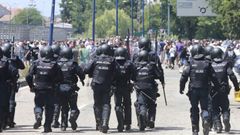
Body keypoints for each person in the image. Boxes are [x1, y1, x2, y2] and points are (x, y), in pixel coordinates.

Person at [179, 45, 220, 135]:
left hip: (193, 90)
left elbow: (184, 76)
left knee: (194, 109)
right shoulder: (207, 63)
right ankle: (205, 120)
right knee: (205, 108)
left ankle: (195, 129)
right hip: (205, 90)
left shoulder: (190, 62)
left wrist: (181, 88)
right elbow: (214, 77)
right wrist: (217, 87)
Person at [25, 46, 63, 133]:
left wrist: (31, 86)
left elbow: (28, 76)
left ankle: (38, 115)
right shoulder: (54, 64)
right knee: (49, 108)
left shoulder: (36, 63)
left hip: (38, 88)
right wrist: (54, 83)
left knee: (38, 105)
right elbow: (60, 78)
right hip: (50, 89)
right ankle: (47, 126)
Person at [84, 44, 119, 133]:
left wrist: (93, 71)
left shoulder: (95, 59)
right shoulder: (112, 60)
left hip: (96, 84)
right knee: (106, 104)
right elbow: (118, 72)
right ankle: (105, 123)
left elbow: (86, 69)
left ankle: (99, 124)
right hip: (107, 84)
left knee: (97, 104)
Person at [133, 50, 164, 131]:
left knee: (141, 105)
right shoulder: (152, 65)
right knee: (152, 104)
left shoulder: (136, 65)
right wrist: (161, 81)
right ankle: (151, 119)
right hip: (150, 88)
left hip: (140, 88)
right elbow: (159, 75)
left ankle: (142, 115)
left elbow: (132, 77)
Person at [211, 47, 239, 133]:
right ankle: (226, 118)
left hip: (213, 91)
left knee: (214, 109)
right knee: (225, 108)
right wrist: (236, 87)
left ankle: (218, 125)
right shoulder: (225, 64)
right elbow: (232, 75)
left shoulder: (210, 64)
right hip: (224, 90)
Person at [57, 46, 85, 131]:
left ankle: (63, 125)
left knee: (64, 107)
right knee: (73, 107)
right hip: (71, 88)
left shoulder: (57, 64)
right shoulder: (73, 64)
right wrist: (82, 79)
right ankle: (72, 117)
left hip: (60, 89)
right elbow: (81, 74)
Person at [1, 43, 25, 128]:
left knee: (6, 103)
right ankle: (9, 121)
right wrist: (16, 60)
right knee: (10, 102)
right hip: (10, 83)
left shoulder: (9, 59)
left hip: (7, 83)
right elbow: (21, 68)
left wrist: (16, 59)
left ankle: (6, 121)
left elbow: (22, 67)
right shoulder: (7, 61)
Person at [113, 47, 134, 132]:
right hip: (126, 86)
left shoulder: (114, 64)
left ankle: (120, 124)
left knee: (118, 105)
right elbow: (134, 74)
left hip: (117, 87)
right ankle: (128, 123)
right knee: (127, 105)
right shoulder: (129, 64)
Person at [0, 48, 13, 132]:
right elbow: (10, 75)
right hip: (3, 87)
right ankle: (2, 124)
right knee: (3, 106)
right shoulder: (5, 63)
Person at [51, 44, 62, 128]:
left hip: (47, 84)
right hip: (57, 84)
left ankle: (51, 119)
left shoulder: (45, 60)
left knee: (48, 103)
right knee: (57, 103)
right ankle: (55, 120)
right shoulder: (60, 61)